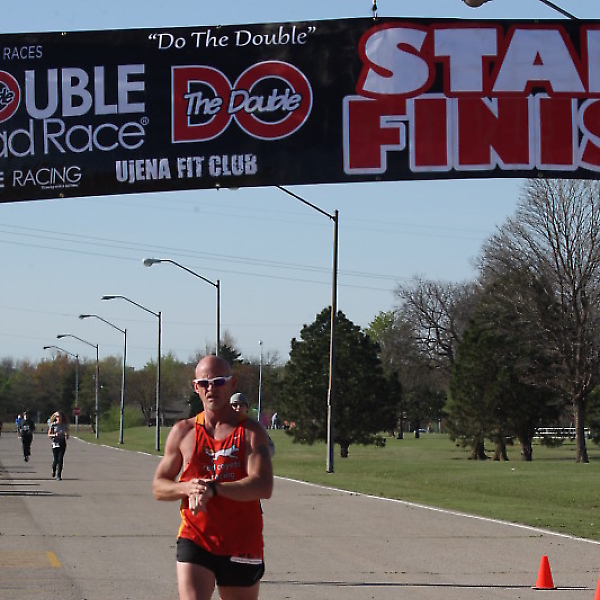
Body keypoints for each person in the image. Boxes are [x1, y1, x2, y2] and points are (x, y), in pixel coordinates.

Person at [152, 355, 274, 600]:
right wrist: (188, 488)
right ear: (195, 387)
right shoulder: (183, 432)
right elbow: (159, 486)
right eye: (204, 383)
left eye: (218, 382)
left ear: (232, 383)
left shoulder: (250, 432)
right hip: (196, 536)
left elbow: (263, 485)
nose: (211, 388)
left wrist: (214, 489)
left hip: (241, 541)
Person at [48, 411, 69, 480]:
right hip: (55, 443)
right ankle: (54, 469)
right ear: (55, 417)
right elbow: (49, 435)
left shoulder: (64, 425)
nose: (59, 418)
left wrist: (66, 435)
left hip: (62, 442)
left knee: (60, 459)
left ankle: (59, 475)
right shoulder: (53, 425)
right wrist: (55, 435)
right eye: (57, 416)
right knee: (55, 459)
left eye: (60, 416)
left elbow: (67, 434)